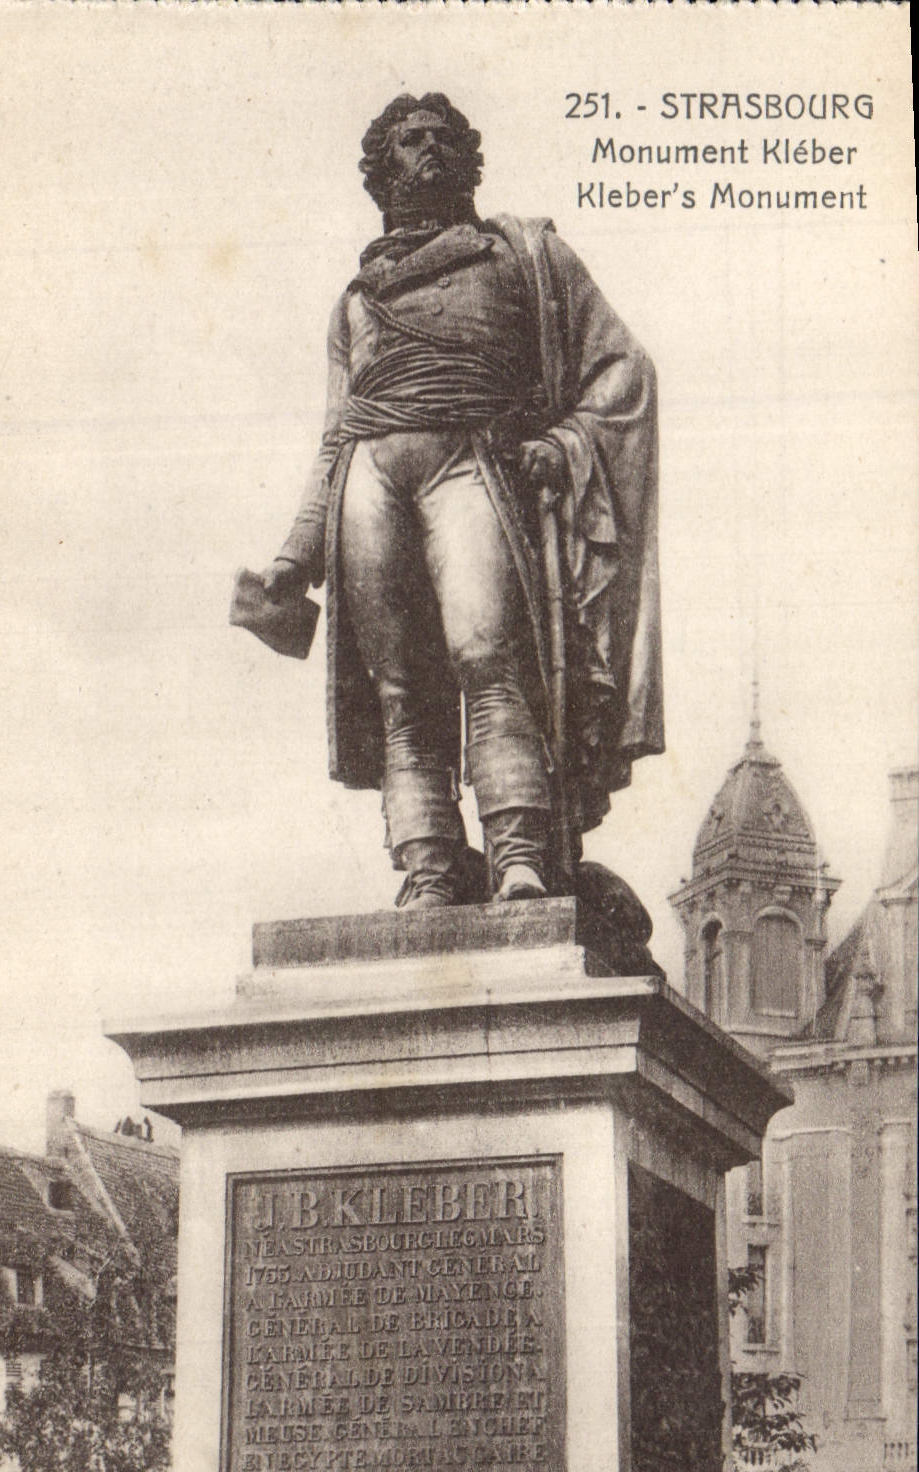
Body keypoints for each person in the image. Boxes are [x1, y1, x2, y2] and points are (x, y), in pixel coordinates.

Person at [257, 93, 662, 908]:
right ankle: (430, 864)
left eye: (445, 138)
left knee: (487, 655)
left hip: (470, 461)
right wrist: (295, 556)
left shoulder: (521, 258)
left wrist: (562, 442)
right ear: (384, 168)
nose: (430, 150)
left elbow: (625, 368)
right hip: (369, 481)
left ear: (468, 162)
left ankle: (517, 852)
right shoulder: (353, 302)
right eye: (411, 141)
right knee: (400, 686)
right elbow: (337, 433)